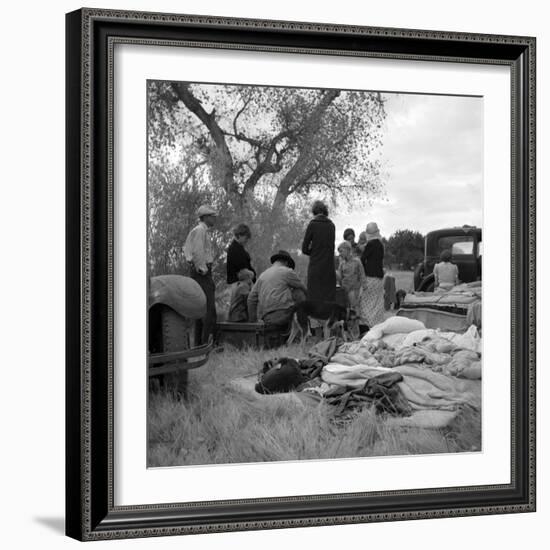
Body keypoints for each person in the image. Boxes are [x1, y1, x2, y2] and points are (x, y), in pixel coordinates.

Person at [183, 205, 218, 344]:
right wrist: (202, 269)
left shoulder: (201, 231)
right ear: (206, 217)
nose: (214, 218)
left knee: (200, 308)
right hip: (202, 273)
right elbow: (197, 251)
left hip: (201, 272)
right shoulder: (200, 231)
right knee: (209, 309)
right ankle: (207, 343)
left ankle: (199, 343)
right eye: (212, 216)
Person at [247, 250, 307, 327]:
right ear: (286, 263)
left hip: (267, 319)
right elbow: (303, 289)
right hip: (284, 316)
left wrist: (253, 321)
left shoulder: (262, 275)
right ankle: (303, 327)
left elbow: (251, 299)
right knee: (299, 291)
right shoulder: (287, 271)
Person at [301, 200, 336, 303]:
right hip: (329, 267)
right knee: (327, 296)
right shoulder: (331, 225)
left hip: (316, 266)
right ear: (325, 211)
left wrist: (314, 251)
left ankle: (314, 318)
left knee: (314, 296)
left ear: (314, 212)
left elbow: (304, 249)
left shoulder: (312, 225)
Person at [358, 222, 385, 334]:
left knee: (365, 302)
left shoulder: (371, 244)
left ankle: (366, 327)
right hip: (379, 277)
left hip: (370, 277)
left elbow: (363, 259)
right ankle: (377, 326)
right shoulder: (380, 244)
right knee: (377, 303)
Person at [335, 241, 364, 313]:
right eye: (339, 252)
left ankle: (356, 324)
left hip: (354, 290)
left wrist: (361, 289)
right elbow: (340, 278)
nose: (340, 254)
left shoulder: (357, 261)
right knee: (346, 310)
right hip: (344, 290)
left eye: (341, 251)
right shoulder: (342, 263)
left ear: (348, 250)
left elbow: (362, 275)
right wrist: (335, 273)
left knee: (355, 309)